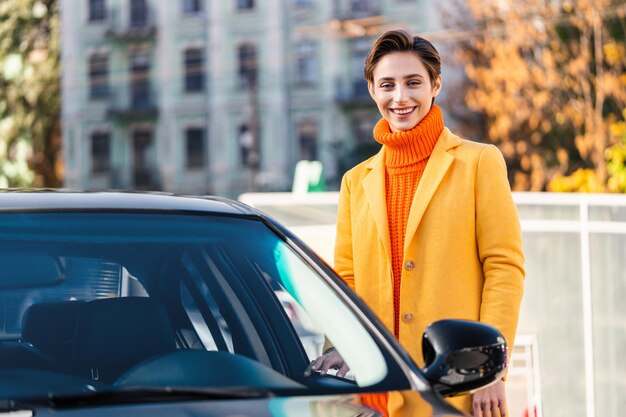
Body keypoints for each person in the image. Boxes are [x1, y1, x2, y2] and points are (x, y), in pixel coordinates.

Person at [311, 30, 525, 417]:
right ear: (372, 90)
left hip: (456, 387)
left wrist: (490, 371)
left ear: (436, 84)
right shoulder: (355, 181)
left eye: (413, 83)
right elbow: (346, 279)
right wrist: (337, 349)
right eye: (387, 85)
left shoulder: (479, 163)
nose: (400, 97)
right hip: (377, 394)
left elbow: (504, 270)